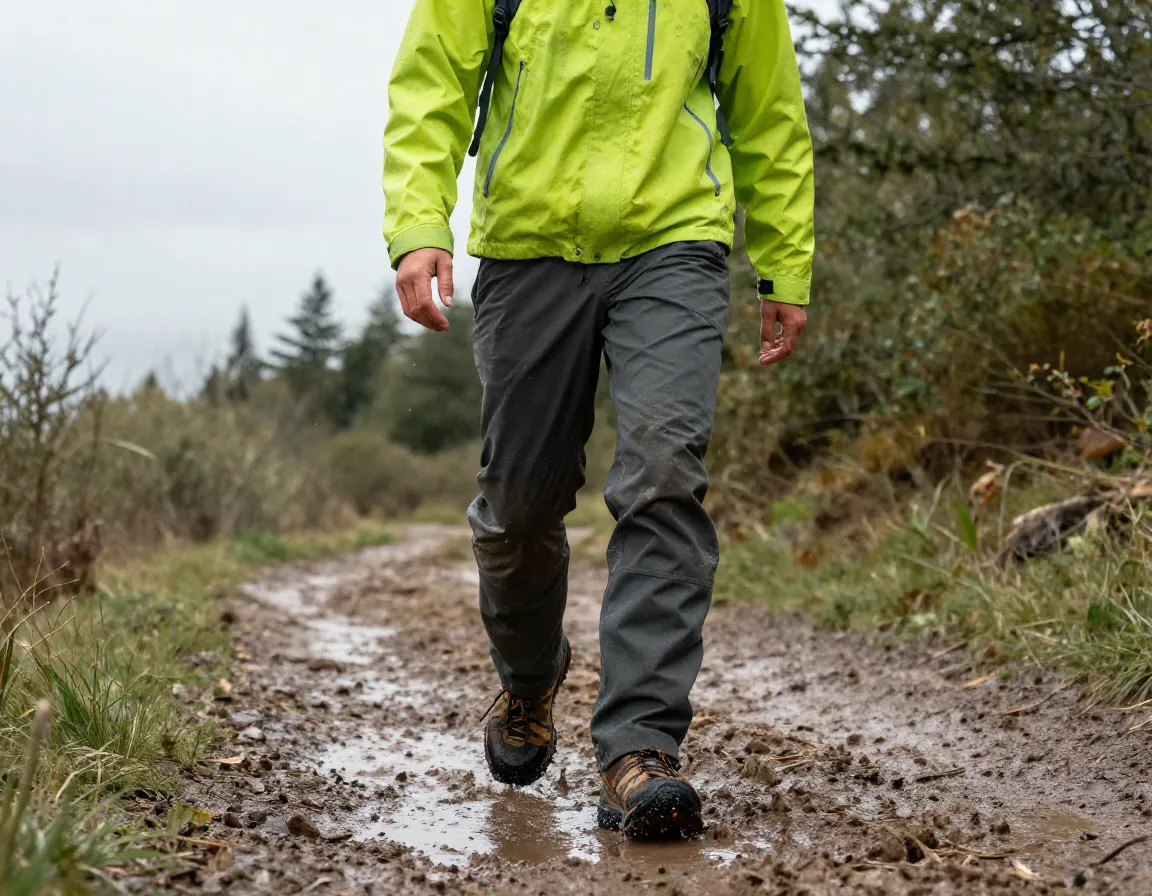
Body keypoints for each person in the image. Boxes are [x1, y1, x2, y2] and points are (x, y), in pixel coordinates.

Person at [383, 0, 814, 839]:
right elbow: (433, 81)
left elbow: (768, 108)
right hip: (527, 244)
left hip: (675, 243)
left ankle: (639, 749)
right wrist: (418, 223)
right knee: (518, 508)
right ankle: (531, 679)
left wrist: (785, 258)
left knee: (662, 476)